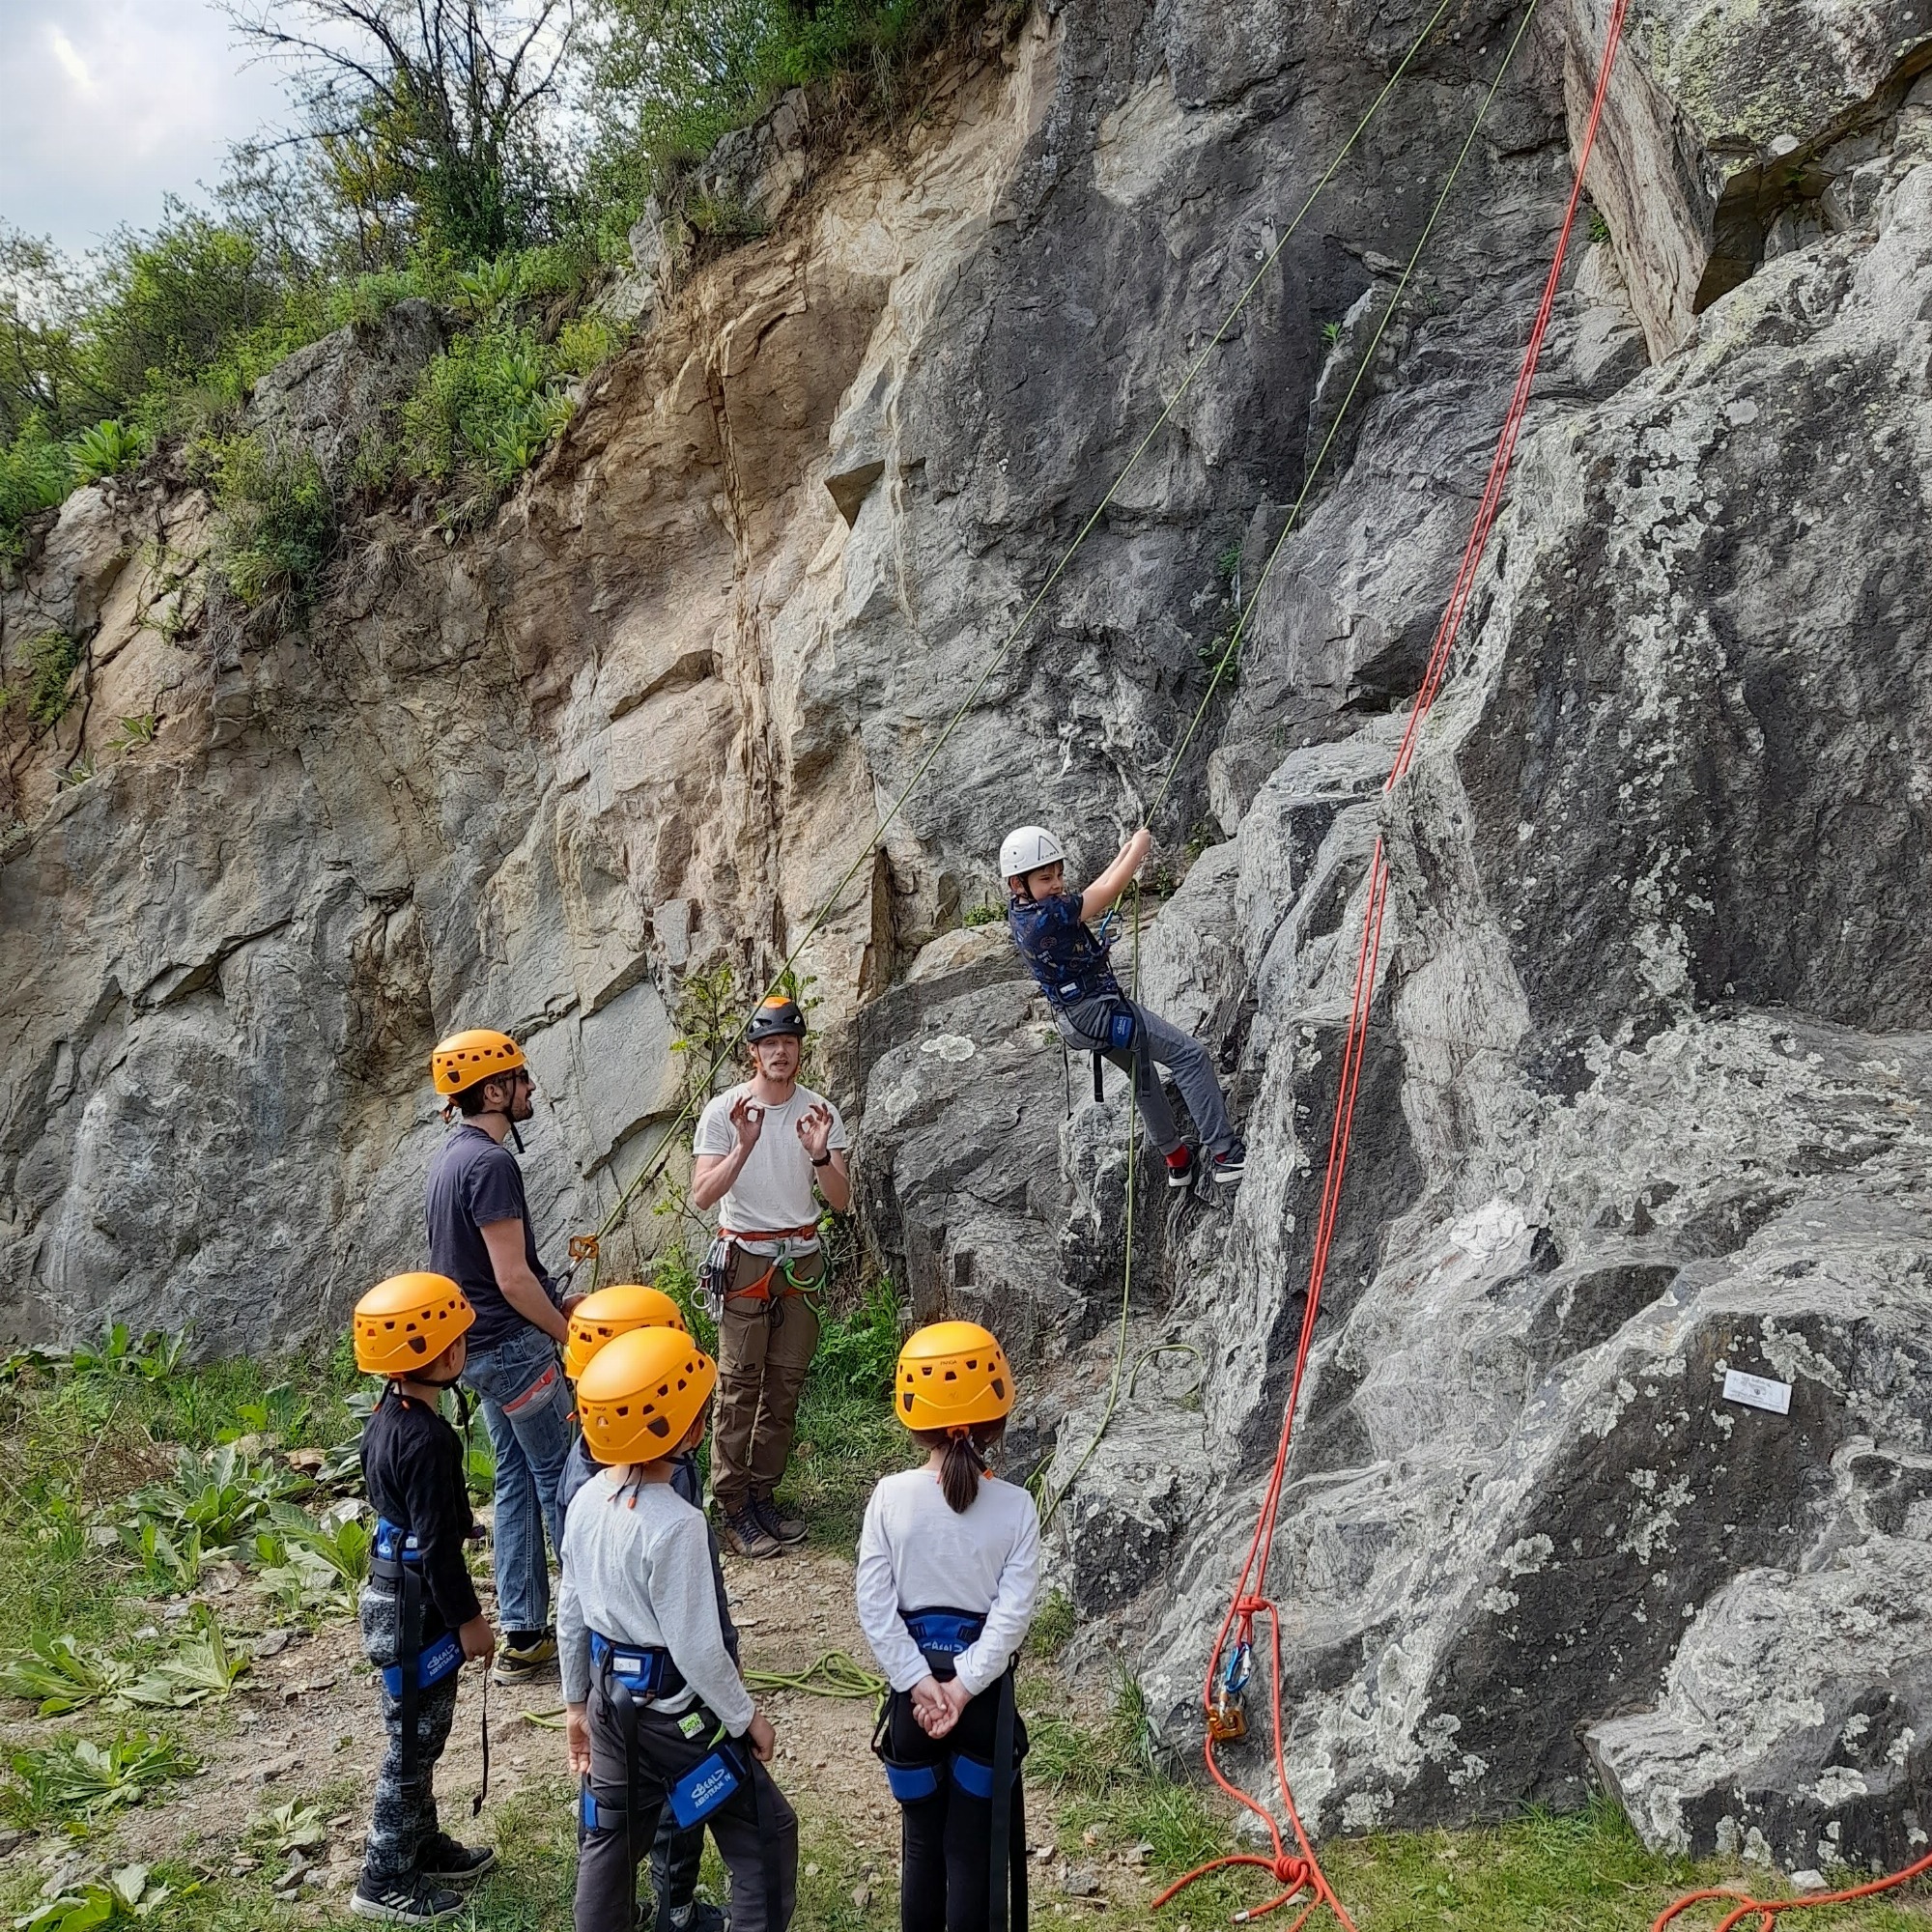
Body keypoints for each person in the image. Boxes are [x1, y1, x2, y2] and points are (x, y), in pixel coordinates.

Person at [562, 1326, 798, 1932]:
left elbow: (571, 1612)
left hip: (612, 1708)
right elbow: (697, 1648)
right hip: (679, 1720)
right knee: (764, 1832)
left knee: (608, 1841)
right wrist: (748, 1719)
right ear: (688, 1430)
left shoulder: (586, 1500)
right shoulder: (679, 1525)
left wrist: (575, 1706)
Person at [559, 1283, 736, 1932]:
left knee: (615, 1810)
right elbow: (578, 1601)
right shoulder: (622, 1482)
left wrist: (579, 1698)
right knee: (667, 1803)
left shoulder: (602, 1470)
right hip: (665, 1684)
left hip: (618, 1686)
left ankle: (637, 1905)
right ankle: (673, 1907)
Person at [856, 1321, 1040, 1932]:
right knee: (970, 1853)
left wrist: (919, 1682)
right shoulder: (1015, 1509)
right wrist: (962, 1689)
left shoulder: (888, 1498)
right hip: (981, 1710)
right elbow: (1010, 1618)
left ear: (914, 1421)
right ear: (996, 1419)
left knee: (921, 1849)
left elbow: (874, 1607)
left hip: (914, 1709)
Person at [424, 1027, 578, 1684]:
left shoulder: (449, 1159)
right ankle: (599, 1620)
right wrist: (567, 1334)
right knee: (566, 1478)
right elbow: (511, 1278)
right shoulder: (490, 1165)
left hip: (477, 1352)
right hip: (514, 1348)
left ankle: (524, 1633)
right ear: (493, 1089)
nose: (530, 1087)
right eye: (520, 1078)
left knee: (514, 1482)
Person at [350, 1272, 497, 1925]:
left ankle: (421, 1843)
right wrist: (470, 1623)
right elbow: (438, 1555)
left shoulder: (385, 1417)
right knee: (409, 1745)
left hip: (390, 1590)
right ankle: (384, 1875)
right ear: (442, 1355)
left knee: (422, 1734)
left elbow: (404, 1507)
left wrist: (455, 1519)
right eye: (459, 1338)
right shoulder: (432, 1439)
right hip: (422, 1612)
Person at [690, 995, 851, 1559]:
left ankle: (763, 1494)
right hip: (746, 1261)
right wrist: (743, 1147)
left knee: (784, 1385)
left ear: (800, 1050)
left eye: (789, 1042)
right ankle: (733, 1505)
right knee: (739, 1385)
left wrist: (819, 1154)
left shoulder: (819, 1112)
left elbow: (842, 1200)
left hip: (801, 1258)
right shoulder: (724, 1112)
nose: (780, 1052)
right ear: (753, 1053)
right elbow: (703, 1195)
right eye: (769, 1044)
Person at [1001, 824, 1245, 1189]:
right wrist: (1138, 851)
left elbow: (1090, 894)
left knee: (1142, 1070)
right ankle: (1227, 1156)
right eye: (1045, 878)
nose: (1056, 884)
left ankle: (1178, 1160)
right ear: (1018, 884)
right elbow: (1108, 891)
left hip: (1075, 1020)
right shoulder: (1050, 915)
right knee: (1190, 1057)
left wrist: (1123, 853)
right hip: (1099, 1012)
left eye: (1058, 874)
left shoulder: (1022, 910)